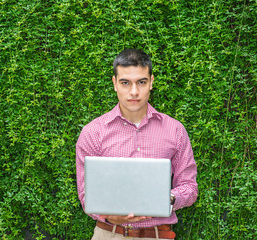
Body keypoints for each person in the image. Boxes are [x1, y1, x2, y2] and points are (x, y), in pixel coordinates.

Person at [76, 48, 198, 240]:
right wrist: (108, 215)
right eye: (126, 83)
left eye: (141, 82)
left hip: (158, 236)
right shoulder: (93, 133)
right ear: (115, 83)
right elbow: (86, 196)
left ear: (151, 82)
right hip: (108, 235)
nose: (134, 92)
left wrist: (167, 198)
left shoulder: (175, 130)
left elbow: (189, 187)